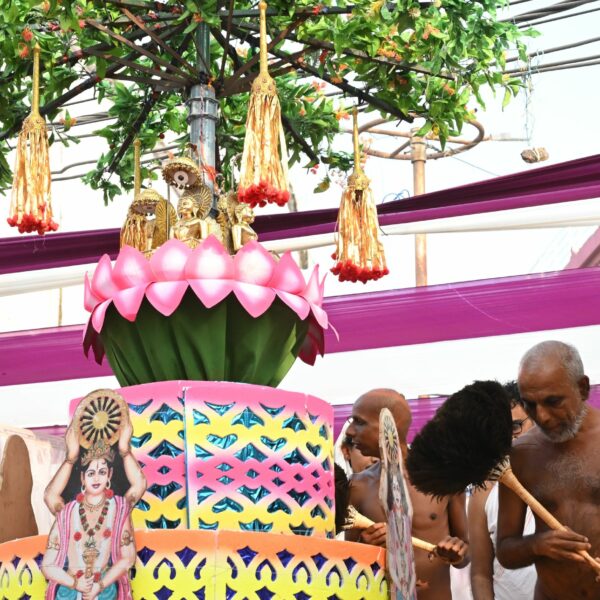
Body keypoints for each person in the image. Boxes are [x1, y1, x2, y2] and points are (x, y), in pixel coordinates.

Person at [496, 341, 600, 600]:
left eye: (553, 401)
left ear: (582, 388)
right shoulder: (521, 455)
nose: (541, 416)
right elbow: (505, 552)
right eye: (530, 404)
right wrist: (538, 545)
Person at [346, 389, 469, 600]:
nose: (349, 431)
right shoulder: (358, 486)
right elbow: (348, 564)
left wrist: (457, 553)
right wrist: (365, 546)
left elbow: (466, 552)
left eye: (359, 422)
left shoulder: (445, 479)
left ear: (389, 424)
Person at [42, 414, 145, 600]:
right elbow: (48, 565)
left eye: (102, 472)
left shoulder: (119, 509)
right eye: (91, 473)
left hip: (105, 590)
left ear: (109, 475)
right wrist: (70, 458)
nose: (96, 478)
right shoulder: (67, 513)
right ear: (82, 478)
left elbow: (128, 558)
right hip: (69, 590)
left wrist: (124, 450)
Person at [468, 381, 536, 600]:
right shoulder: (483, 492)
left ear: (536, 420)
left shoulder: (561, 476)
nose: (508, 437)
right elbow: (480, 574)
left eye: (515, 426)